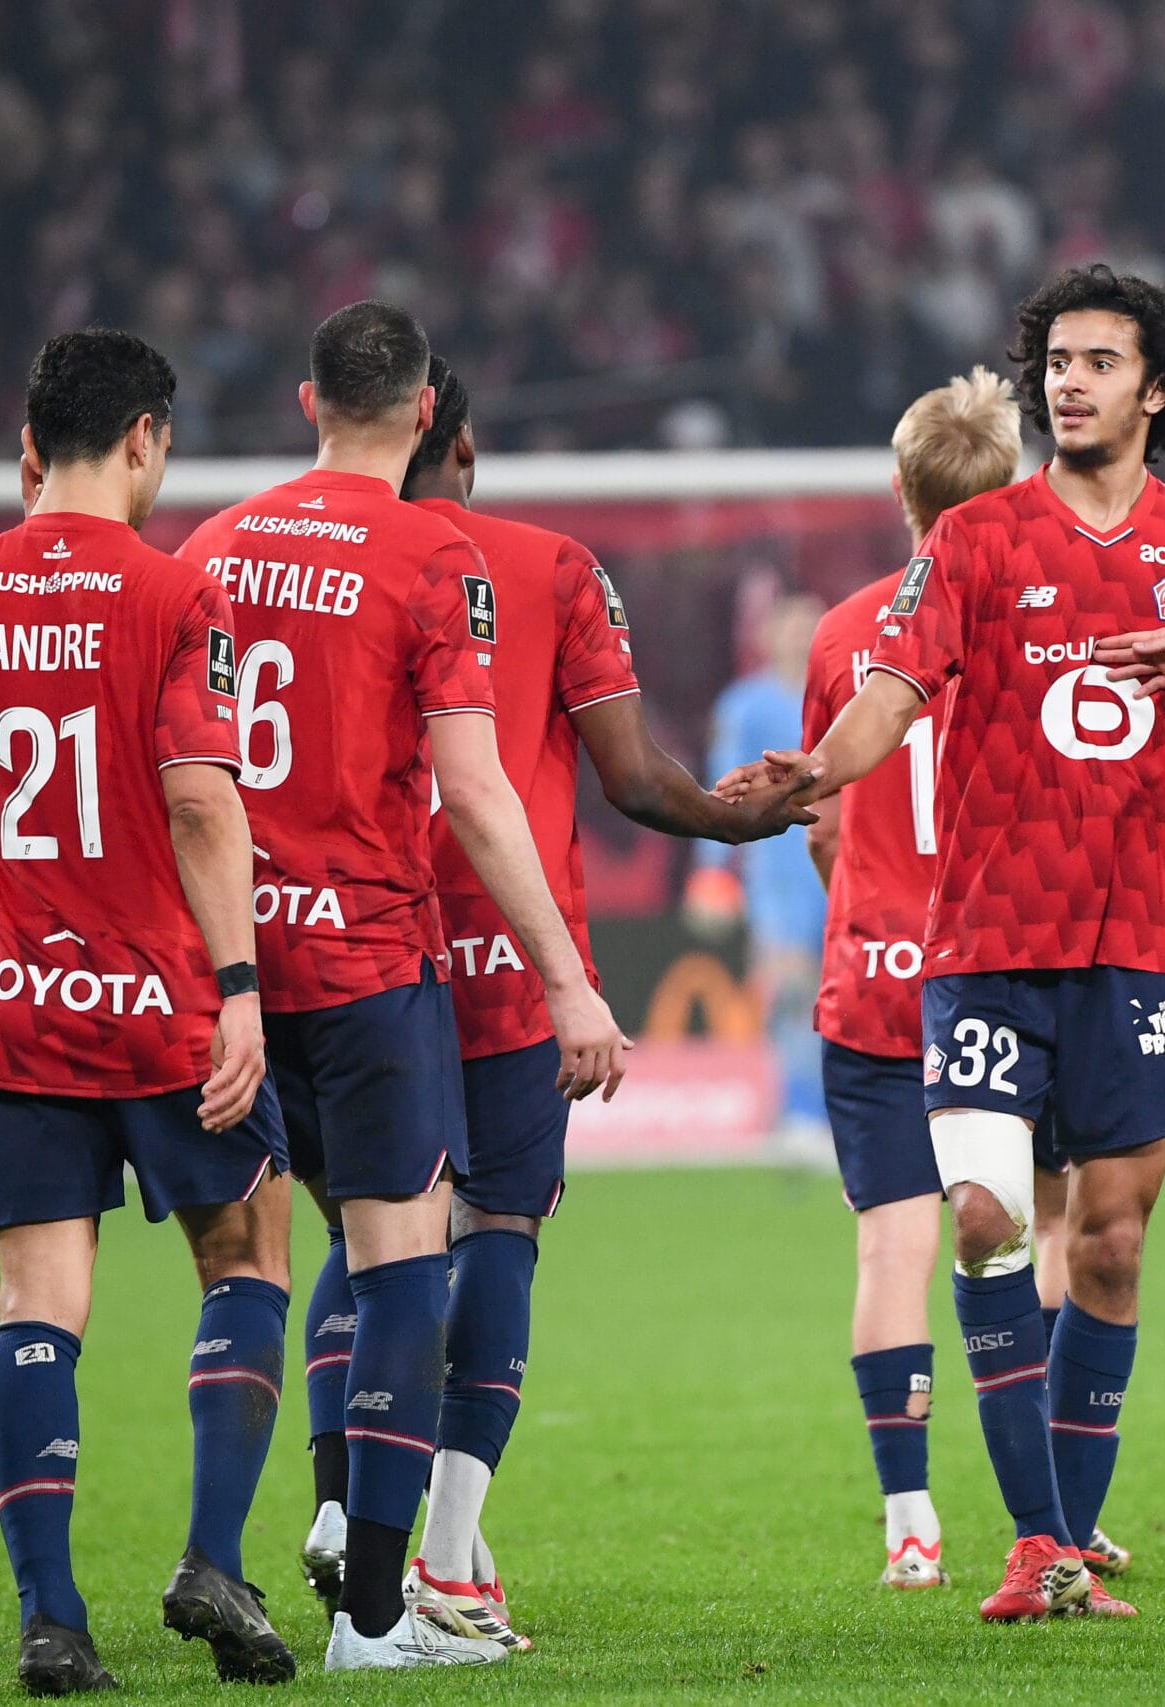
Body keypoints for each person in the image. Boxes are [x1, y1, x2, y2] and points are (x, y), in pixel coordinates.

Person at [722, 265, 1165, 1623]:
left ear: (1155, 390)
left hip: (1142, 951)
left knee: (1108, 1245)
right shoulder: (975, 540)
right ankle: (1036, 1542)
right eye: (1056, 361)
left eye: (1099, 361)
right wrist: (819, 769)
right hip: (986, 946)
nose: (1070, 381)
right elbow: (890, 695)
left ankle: (1073, 1531)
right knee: (988, 1217)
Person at [178, 301, 626, 1672]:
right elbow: (476, 793)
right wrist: (567, 983)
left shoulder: (209, 546)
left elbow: (177, 775)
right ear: (429, 412)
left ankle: (238, 1544)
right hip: (370, 962)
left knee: (257, 1267)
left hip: (236, 975)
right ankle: (375, 1617)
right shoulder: (435, 553)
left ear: (307, 402)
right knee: (401, 1268)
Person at [394, 356, 813, 1646]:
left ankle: (343, 1512)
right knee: (497, 1226)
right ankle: (445, 1555)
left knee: (374, 1230)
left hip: (353, 943)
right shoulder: (551, 567)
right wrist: (738, 822)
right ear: (462, 446)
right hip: (509, 948)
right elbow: (630, 777)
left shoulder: (277, 565)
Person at [0, 329, 296, 1693]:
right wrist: (241, 988)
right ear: (145, 438)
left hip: (22, 1003)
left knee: (38, 1307)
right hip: (163, 1008)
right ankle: (212, 1559)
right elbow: (199, 801)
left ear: (30, 448)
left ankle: (52, 1616)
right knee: (247, 1257)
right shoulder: (177, 589)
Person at [798, 366, 1031, 1591]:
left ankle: (910, 1525)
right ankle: (1058, 1507)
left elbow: (826, 815)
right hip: (1004, 969)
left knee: (892, 1251)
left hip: (875, 977)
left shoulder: (844, 634)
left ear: (899, 489)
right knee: (1032, 1235)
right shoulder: (1034, 622)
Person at [699, 594, 833, 1151]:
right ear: (769, 636)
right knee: (791, 989)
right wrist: (712, 872)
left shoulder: (845, 695)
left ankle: (835, 1108)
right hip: (777, 876)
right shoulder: (745, 705)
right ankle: (800, 1110)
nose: (801, 637)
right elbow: (720, 783)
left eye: (811, 626)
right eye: (792, 627)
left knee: (840, 991)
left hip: (837, 860)